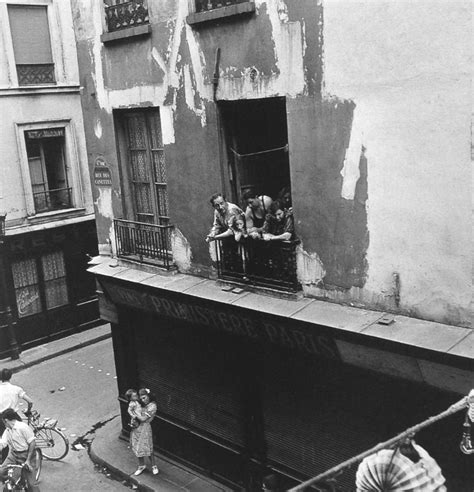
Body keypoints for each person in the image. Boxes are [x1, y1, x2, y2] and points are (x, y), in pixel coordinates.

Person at [0, 408, 40, 492]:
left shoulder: (23, 427)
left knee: (31, 484)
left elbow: (32, 443)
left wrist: (28, 460)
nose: (3, 424)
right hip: (14, 454)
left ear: (6, 420)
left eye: (3, 422)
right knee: (1, 471)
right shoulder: (7, 430)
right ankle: (11, 483)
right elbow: (2, 443)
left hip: (27, 454)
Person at [131, 388, 159, 476]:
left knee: (147, 447)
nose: (143, 400)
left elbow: (143, 418)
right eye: (141, 398)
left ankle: (154, 465)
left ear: (148, 396)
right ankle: (141, 465)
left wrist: (135, 413)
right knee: (137, 446)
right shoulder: (140, 405)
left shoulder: (152, 406)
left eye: (144, 397)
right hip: (137, 428)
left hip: (145, 427)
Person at [0, 369, 33, 435]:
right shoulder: (16, 389)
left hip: (2, 419)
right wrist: (28, 410)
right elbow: (30, 401)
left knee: (5, 438)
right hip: (14, 416)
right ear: (10, 377)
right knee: (21, 435)